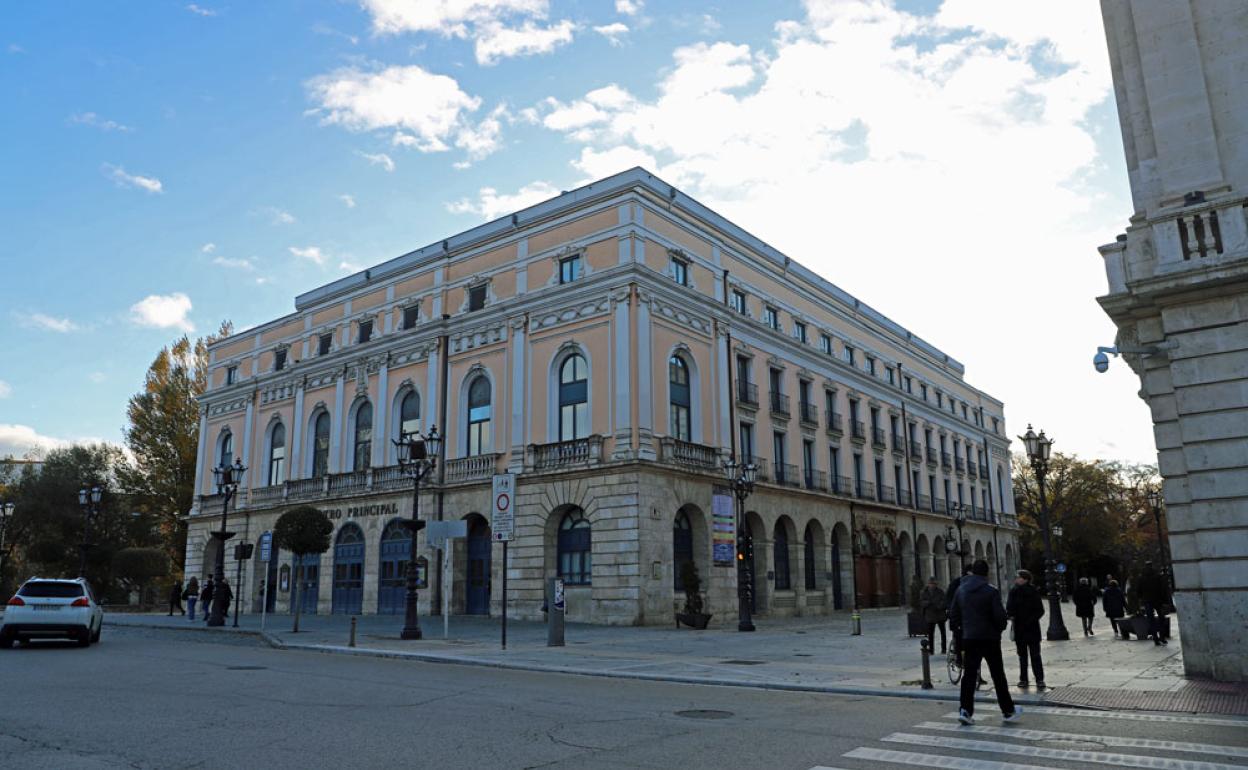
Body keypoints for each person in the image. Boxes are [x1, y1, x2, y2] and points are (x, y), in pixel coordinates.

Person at [949, 559, 1019, 725]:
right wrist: (998, 629)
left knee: (969, 676)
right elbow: (1000, 617)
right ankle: (1008, 710)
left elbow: (953, 615)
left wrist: (961, 631)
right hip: (989, 638)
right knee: (997, 675)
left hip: (969, 638)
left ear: (972, 572)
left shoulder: (961, 590)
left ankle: (965, 710)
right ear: (986, 573)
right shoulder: (991, 591)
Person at [1005, 569, 1045, 689]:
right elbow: (1009, 607)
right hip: (1023, 628)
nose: (1016, 579)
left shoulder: (1032, 591)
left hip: (1028, 628)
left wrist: (1028, 620)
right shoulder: (1014, 591)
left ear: (1025, 579)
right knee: (1024, 656)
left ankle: (1037, 679)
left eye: (1018, 577)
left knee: (1034, 655)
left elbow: (1040, 610)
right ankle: (1026, 679)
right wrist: (1011, 615)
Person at [1138, 561, 1171, 646]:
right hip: (1158, 601)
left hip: (1147, 601)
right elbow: (1163, 589)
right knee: (1161, 618)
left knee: (1151, 620)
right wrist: (1165, 601)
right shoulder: (1158, 576)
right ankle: (1162, 637)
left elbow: (1139, 592)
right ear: (1152, 566)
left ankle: (1155, 639)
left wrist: (1142, 601)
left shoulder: (1142, 578)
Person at [920, 576, 948, 654]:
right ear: (928, 584)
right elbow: (921, 602)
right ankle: (931, 650)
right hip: (930, 615)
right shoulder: (924, 592)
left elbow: (945, 601)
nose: (932, 585)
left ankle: (944, 649)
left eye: (934, 584)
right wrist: (927, 603)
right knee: (930, 634)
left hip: (940, 615)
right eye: (931, 583)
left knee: (943, 633)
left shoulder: (940, 591)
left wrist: (939, 606)